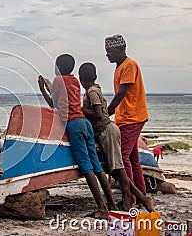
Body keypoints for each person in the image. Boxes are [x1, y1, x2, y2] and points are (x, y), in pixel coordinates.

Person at [38, 54, 117, 219]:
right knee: (97, 166)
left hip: (74, 125)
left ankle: (102, 208)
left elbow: (53, 104)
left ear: (58, 67)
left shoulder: (58, 80)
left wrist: (43, 89)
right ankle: (112, 204)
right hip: (85, 123)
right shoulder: (74, 81)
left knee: (86, 167)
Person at [79, 62, 154, 212]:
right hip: (108, 131)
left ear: (81, 79)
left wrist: (80, 110)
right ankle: (142, 197)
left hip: (107, 131)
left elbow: (99, 114)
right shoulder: (95, 89)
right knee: (116, 168)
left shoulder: (92, 92)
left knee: (119, 168)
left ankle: (128, 201)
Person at [105, 34, 148, 204]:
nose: (107, 55)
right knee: (132, 159)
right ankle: (140, 194)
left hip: (132, 117)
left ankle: (129, 198)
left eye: (110, 51)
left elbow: (121, 93)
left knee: (122, 158)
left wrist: (107, 112)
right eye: (106, 52)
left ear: (120, 50)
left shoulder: (129, 65)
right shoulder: (120, 67)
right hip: (126, 117)